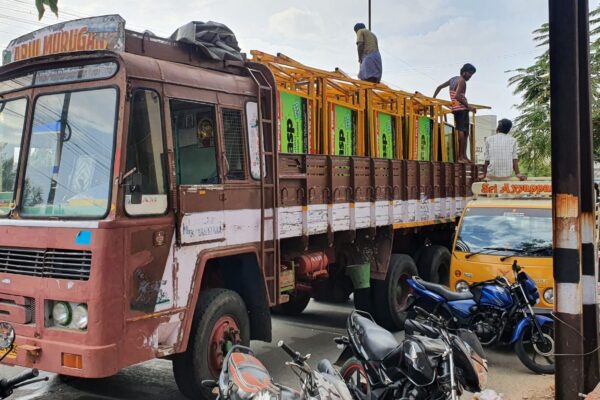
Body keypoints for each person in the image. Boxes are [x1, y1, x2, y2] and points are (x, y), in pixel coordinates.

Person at [433, 64, 477, 163]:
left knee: (465, 132)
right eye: (470, 74)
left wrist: (434, 98)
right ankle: (461, 157)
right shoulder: (462, 81)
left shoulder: (453, 79)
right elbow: (457, 96)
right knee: (462, 131)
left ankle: (464, 156)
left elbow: (439, 87)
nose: (470, 76)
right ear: (464, 72)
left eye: (471, 75)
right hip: (461, 108)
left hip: (457, 109)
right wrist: (469, 106)